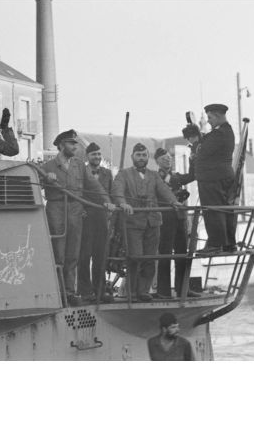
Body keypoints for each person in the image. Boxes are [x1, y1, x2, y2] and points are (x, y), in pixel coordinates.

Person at [42, 130, 115, 305]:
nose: (75, 146)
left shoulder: (79, 165)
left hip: (75, 211)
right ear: (61, 145)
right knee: (58, 252)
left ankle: (70, 292)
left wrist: (106, 201)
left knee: (73, 253)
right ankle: (58, 293)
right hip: (56, 210)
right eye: (71, 143)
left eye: (75, 143)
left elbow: (94, 185)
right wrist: (46, 179)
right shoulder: (48, 166)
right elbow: (36, 183)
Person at [111, 143, 179, 302]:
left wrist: (174, 202)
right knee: (135, 257)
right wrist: (122, 203)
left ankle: (143, 291)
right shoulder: (123, 174)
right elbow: (117, 191)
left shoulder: (154, 175)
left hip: (153, 222)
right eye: (138, 155)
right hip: (133, 223)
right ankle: (132, 292)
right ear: (132, 157)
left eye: (144, 155)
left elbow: (164, 190)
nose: (141, 158)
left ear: (148, 157)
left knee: (150, 259)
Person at [153, 147, 199, 298]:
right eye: (163, 159)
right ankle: (163, 290)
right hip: (165, 219)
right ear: (157, 162)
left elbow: (193, 175)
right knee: (165, 255)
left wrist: (192, 159)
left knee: (182, 254)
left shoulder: (176, 176)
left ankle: (182, 288)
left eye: (168, 158)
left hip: (180, 218)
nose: (167, 160)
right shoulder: (156, 178)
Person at [195, 103, 236, 255]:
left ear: (218, 116)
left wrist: (197, 146)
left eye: (210, 117)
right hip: (221, 176)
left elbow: (203, 152)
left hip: (212, 178)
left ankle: (215, 244)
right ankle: (228, 243)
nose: (209, 121)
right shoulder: (226, 132)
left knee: (213, 211)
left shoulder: (219, 134)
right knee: (225, 211)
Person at [77, 142, 114, 303]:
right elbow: (76, 192)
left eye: (99, 154)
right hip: (86, 217)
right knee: (84, 256)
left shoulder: (107, 173)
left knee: (100, 256)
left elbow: (110, 194)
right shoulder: (81, 171)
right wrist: (81, 208)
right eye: (94, 154)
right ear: (87, 156)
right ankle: (85, 291)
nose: (97, 157)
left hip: (102, 218)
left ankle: (99, 290)